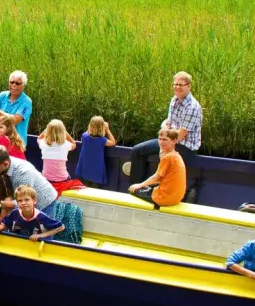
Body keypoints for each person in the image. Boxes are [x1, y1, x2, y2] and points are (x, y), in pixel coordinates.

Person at [128, 71, 202, 202]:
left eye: (181, 85)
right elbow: (168, 123)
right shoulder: (174, 100)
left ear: (188, 86)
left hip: (185, 145)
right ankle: (135, 188)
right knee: (138, 150)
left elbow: (180, 135)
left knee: (165, 162)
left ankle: (148, 190)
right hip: (170, 138)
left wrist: (164, 149)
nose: (177, 87)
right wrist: (164, 132)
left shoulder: (192, 107)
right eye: (175, 84)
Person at [0, 145, 59, 220]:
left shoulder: (24, 172)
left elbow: (23, 201)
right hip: (22, 201)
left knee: (43, 231)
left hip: (44, 202)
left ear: (5, 164)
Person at [128, 128, 186, 207]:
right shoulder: (176, 155)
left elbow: (156, 177)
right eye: (159, 139)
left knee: (132, 189)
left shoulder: (168, 157)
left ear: (174, 141)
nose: (161, 142)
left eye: (165, 140)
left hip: (164, 198)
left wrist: (139, 185)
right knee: (149, 185)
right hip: (176, 198)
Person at [0, 185, 65, 244]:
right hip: (17, 244)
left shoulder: (41, 217)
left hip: (34, 246)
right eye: (20, 201)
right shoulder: (15, 213)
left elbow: (61, 227)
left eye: (27, 200)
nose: (23, 203)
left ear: (34, 201)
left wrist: (41, 235)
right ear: (17, 203)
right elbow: (4, 224)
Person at [0, 70, 32, 145]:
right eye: (11, 82)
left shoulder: (27, 102)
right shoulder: (2, 95)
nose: (14, 85)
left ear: (23, 85)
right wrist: (6, 120)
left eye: (17, 83)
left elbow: (15, 120)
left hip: (16, 143)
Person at [75, 116, 116, 187]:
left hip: (85, 168)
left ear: (90, 126)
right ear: (102, 127)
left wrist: (92, 126)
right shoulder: (102, 140)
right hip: (96, 169)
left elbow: (87, 132)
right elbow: (113, 142)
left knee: (85, 188)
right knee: (94, 190)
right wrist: (108, 130)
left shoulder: (84, 137)